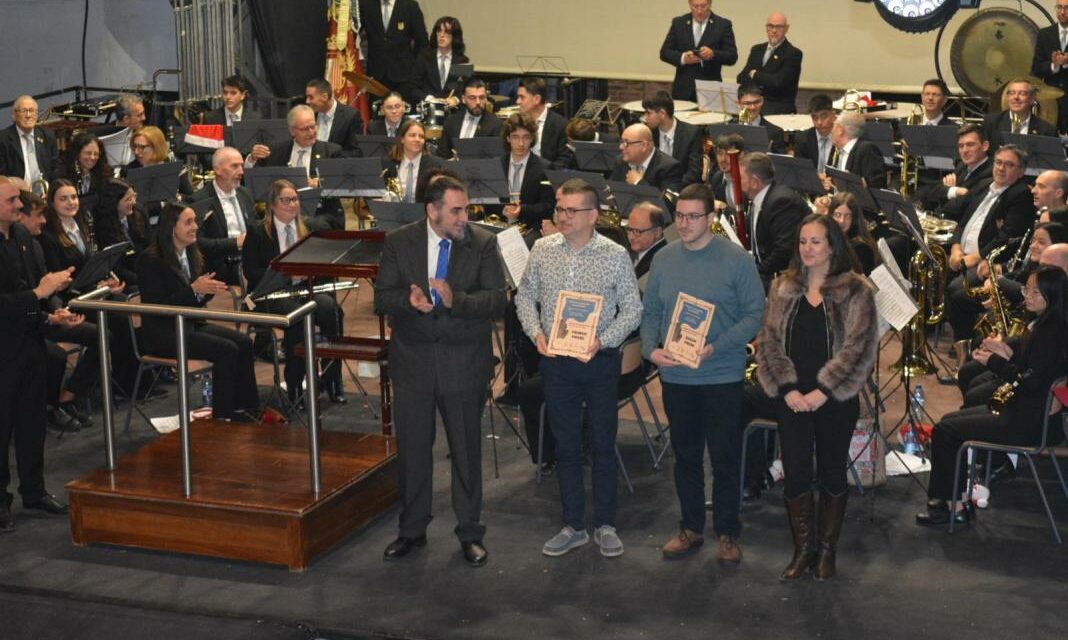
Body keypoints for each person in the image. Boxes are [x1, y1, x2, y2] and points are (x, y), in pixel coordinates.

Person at [373, 175, 507, 567]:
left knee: (466, 449)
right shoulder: (400, 242)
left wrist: (456, 299)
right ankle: (411, 530)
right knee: (413, 450)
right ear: (432, 211)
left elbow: (497, 300)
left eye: (465, 209)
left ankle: (470, 532)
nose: (464, 217)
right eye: (456, 210)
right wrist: (407, 300)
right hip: (412, 361)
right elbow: (382, 296)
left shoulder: (483, 243)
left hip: (464, 362)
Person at [516, 178, 643, 558]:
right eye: (559, 208)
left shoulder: (615, 254)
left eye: (571, 210)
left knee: (603, 445)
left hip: (599, 361)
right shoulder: (542, 249)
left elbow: (632, 308)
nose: (563, 216)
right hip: (556, 362)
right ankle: (573, 525)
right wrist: (536, 332)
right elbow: (525, 297)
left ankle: (606, 524)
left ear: (593, 215)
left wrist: (601, 341)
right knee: (567, 446)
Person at [641, 183, 764, 566]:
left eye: (694, 216)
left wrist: (717, 346)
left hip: (721, 374)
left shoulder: (736, 259)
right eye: (680, 216)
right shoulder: (664, 259)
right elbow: (652, 314)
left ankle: (727, 532)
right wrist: (651, 350)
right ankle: (690, 527)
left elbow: (754, 315)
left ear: (712, 218)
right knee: (686, 456)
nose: (685, 223)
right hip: (677, 376)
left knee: (724, 457)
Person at [755, 212, 879, 580]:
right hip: (791, 397)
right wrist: (789, 388)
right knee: (795, 474)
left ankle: (827, 551)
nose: (807, 249)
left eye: (816, 242)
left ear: (832, 246)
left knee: (831, 473)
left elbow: (859, 349)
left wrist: (823, 391)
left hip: (835, 399)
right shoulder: (782, 287)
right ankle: (803, 550)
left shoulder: (857, 290)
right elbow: (769, 342)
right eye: (802, 242)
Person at [918, 266, 1068, 526]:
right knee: (951, 421)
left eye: (1035, 291)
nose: (1027, 296)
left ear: (1052, 296)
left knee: (945, 430)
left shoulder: (1050, 334)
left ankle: (953, 508)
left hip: (1028, 423)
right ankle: (956, 500)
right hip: (1029, 414)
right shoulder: (1049, 325)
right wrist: (1004, 351)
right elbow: (1033, 370)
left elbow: (1028, 382)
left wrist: (994, 363)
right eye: (1026, 289)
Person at [136, 202, 260, 421]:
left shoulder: (192, 253)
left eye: (195, 222)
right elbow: (159, 308)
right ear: (172, 227)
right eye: (188, 222)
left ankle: (246, 408)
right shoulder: (151, 260)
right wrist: (194, 290)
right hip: (164, 334)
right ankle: (223, 417)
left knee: (244, 342)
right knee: (226, 349)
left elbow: (196, 296)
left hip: (191, 324)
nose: (195, 227)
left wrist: (205, 290)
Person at [0, 175, 74, 532]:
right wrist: (39, 295)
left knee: (33, 424)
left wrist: (51, 316)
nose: (19, 205)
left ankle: (34, 490)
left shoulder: (23, 237)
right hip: (2, 352)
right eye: (12, 200)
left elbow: (34, 290)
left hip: (30, 345)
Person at [242, 180, 346, 408]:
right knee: (298, 316)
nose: (292, 204)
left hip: (302, 290)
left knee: (332, 310)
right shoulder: (258, 232)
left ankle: (332, 380)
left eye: (295, 199)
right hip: (268, 295)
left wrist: (309, 274)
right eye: (286, 200)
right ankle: (295, 384)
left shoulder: (307, 228)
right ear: (272, 205)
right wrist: (285, 273)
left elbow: (321, 267)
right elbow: (251, 272)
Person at [946, 145, 1035, 343]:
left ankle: (966, 341)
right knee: (931, 268)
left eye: (1009, 165)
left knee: (956, 289)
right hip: (963, 255)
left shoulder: (1020, 194)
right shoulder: (985, 184)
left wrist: (975, 258)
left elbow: (1007, 236)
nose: (1001, 168)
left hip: (986, 261)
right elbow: (962, 221)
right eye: (998, 162)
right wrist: (955, 248)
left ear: (1020, 172)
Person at [246, 105, 346, 230]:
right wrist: (252, 159)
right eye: (305, 129)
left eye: (313, 126)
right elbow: (254, 178)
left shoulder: (331, 151)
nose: (311, 132)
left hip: (319, 211)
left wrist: (319, 184)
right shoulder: (276, 150)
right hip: (281, 210)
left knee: (312, 224)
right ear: (292, 131)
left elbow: (343, 185)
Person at [188, 147, 257, 286]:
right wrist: (235, 243)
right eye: (234, 166)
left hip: (249, 262)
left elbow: (254, 225)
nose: (241, 171)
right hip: (220, 268)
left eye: (241, 166)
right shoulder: (199, 200)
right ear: (217, 170)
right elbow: (197, 242)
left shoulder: (245, 194)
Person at [739, 152, 808, 289]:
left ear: (754, 182)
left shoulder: (781, 202)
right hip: (768, 271)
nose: (737, 181)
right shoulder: (761, 198)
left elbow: (783, 252)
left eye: (740, 177)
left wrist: (753, 272)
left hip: (787, 279)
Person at [659, 0, 737, 102]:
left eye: (703, 6)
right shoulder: (679, 23)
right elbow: (664, 52)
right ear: (689, 4)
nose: (699, 11)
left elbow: (732, 56)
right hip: (683, 90)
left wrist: (713, 54)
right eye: (695, 6)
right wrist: (683, 58)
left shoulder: (722, 25)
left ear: (710, 4)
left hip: (710, 91)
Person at [914, 123, 992, 221]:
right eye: (961, 146)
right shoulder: (962, 166)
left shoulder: (992, 173)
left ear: (985, 146)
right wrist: (953, 191)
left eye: (970, 145)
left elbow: (955, 208)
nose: (964, 150)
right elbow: (931, 193)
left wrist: (946, 192)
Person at [490, 113, 553, 229]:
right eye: (515, 137)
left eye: (526, 137)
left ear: (532, 138)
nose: (521, 143)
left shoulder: (545, 167)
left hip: (530, 227)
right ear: (508, 138)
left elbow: (548, 206)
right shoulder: (496, 165)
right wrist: (503, 209)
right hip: (500, 224)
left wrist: (522, 210)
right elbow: (488, 200)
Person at [359, 0, 428, 104]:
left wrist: (414, 67)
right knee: (377, 115)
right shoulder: (366, 5)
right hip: (376, 76)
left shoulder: (409, 6)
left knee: (403, 114)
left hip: (404, 76)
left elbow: (422, 41)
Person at [735, 12, 802, 115]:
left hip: (777, 107)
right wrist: (763, 79)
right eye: (770, 26)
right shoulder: (756, 49)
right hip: (753, 104)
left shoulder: (793, 53)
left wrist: (754, 74)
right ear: (766, 28)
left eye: (778, 27)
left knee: (754, 117)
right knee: (732, 117)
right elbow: (741, 77)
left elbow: (777, 82)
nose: (774, 30)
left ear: (786, 28)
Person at [643, 90, 703, 186]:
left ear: (662, 113)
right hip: (655, 189)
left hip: (683, 190)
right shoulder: (648, 133)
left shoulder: (691, 133)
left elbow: (694, 172)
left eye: (648, 113)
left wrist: (672, 189)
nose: (645, 117)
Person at [983, 78, 1058, 151]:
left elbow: (1050, 162)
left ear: (1032, 99)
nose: (1016, 97)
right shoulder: (991, 122)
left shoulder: (1047, 130)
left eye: (1022, 94)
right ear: (1008, 97)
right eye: (1012, 93)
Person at [436, 78, 503, 159]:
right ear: (464, 99)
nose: (478, 102)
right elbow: (442, 155)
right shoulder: (451, 121)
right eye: (472, 98)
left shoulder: (495, 124)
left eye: (481, 97)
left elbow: (495, 159)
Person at [0, 96, 59, 187]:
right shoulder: (3, 139)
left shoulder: (47, 136)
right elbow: (2, 175)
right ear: (14, 115)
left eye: (31, 111)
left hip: (46, 192)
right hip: (17, 194)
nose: (28, 115)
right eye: (24, 111)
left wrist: (52, 190)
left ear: (36, 114)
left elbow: (56, 168)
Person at [381, 120, 444, 203]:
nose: (417, 139)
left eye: (421, 136)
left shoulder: (436, 164)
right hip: (393, 212)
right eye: (412, 135)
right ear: (402, 139)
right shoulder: (387, 163)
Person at [610, 123, 684, 194]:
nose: (621, 147)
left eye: (626, 143)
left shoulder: (669, 168)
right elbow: (611, 191)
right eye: (621, 142)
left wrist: (638, 182)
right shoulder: (620, 161)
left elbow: (666, 203)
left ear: (644, 146)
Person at [58, 131, 112, 225]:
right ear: (77, 153)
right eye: (87, 153)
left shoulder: (104, 173)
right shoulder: (63, 174)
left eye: (96, 154)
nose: (92, 157)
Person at [515, 77, 568, 167]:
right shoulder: (516, 122)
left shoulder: (560, 125)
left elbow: (563, 163)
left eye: (522, 97)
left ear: (537, 99)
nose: (517, 101)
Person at [1032, 2, 1068, 133]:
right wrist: (1054, 65)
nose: (1063, 12)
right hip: (1050, 103)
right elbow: (1036, 68)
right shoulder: (1044, 34)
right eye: (1059, 7)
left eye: (1067, 8)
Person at [416, 16, 468, 108]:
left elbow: (464, 88)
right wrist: (429, 99)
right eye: (439, 31)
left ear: (455, 35)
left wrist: (455, 99)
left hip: (452, 112)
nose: (441, 35)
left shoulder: (462, 60)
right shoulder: (424, 56)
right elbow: (413, 87)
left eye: (447, 32)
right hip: (428, 109)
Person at [827, 111, 886, 190]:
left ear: (840, 129)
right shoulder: (836, 151)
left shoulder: (866, 149)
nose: (831, 131)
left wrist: (853, 183)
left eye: (833, 126)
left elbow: (876, 182)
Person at [305, 78, 364, 154]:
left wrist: (331, 156)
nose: (307, 101)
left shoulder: (350, 116)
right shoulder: (308, 114)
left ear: (325, 97)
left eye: (311, 97)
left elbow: (356, 152)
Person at [826, 192, 879, 275]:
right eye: (837, 215)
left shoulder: (861, 248)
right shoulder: (832, 235)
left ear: (854, 219)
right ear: (831, 215)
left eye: (847, 216)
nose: (841, 221)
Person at [732, 84, 786, 153]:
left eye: (756, 102)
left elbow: (779, 162)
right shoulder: (728, 127)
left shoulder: (775, 132)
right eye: (747, 103)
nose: (753, 107)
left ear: (762, 101)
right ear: (738, 103)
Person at [792, 94, 836, 174]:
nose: (819, 122)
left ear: (833, 115)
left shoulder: (841, 137)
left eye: (823, 116)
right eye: (815, 117)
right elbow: (799, 171)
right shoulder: (802, 138)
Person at [628, 201, 668, 280]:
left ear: (657, 232)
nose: (631, 237)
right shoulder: (640, 250)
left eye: (637, 232)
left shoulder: (661, 260)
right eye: (629, 229)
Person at [707, 132, 745, 211]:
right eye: (720, 153)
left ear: (741, 155)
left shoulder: (748, 181)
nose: (723, 159)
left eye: (728, 154)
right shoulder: (716, 179)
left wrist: (724, 208)